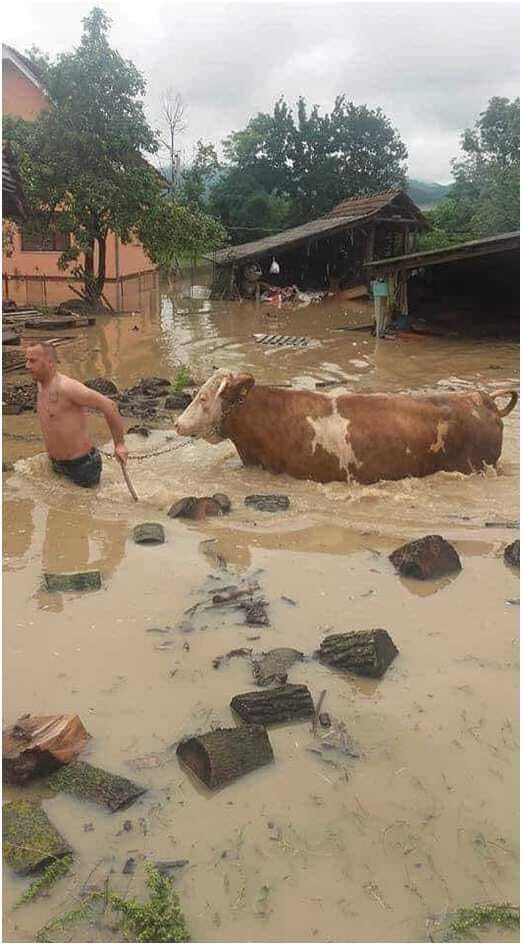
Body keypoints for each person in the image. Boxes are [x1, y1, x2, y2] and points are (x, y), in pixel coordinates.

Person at [26, 342, 128, 488]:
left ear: (49, 362)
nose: (27, 366)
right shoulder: (40, 384)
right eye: (27, 360)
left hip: (82, 466)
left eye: (32, 361)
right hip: (56, 464)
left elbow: (109, 405)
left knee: (85, 508)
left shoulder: (68, 388)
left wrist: (120, 444)